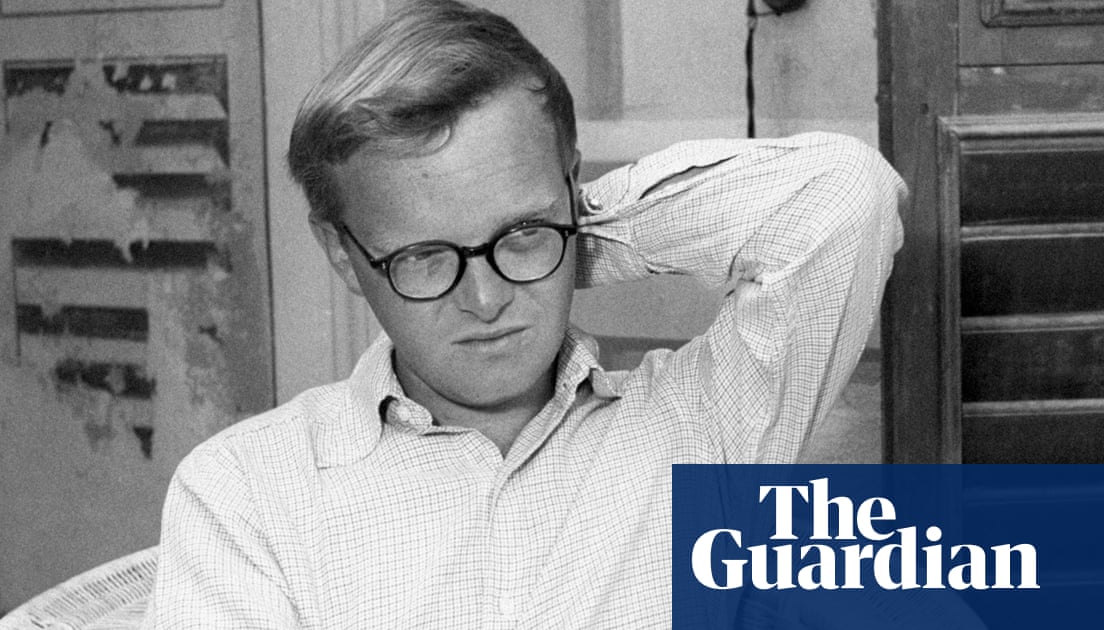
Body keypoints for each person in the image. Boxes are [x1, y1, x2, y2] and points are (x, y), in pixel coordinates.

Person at [142, 0, 904, 627]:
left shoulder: (701, 426)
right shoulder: (248, 490)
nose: (486, 300)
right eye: (425, 256)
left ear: (570, 190)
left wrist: (575, 232)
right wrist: (535, 236)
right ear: (343, 253)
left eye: (521, 234)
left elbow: (842, 197)